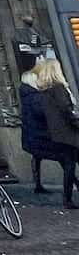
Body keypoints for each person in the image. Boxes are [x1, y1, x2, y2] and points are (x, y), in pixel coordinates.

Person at [34, 57, 79, 209]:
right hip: (68, 132)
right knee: (70, 165)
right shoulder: (58, 88)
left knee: (69, 164)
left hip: (57, 133)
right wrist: (75, 121)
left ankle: (67, 198)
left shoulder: (44, 92)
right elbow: (66, 109)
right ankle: (67, 199)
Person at [18, 50, 55, 193]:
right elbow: (39, 110)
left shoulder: (27, 90)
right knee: (64, 156)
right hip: (39, 129)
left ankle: (37, 184)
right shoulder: (32, 92)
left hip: (33, 129)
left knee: (38, 156)